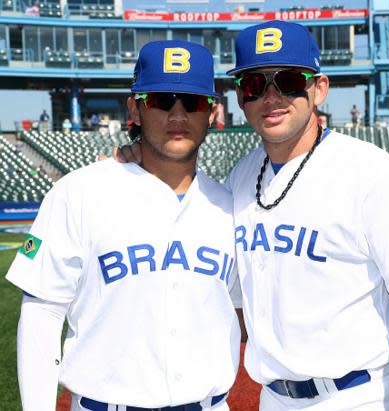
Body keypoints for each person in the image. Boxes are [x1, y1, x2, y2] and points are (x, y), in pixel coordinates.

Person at [117, 20, 389, 411]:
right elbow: (232, 307)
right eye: (255, 85)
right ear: (240, 98)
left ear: (319, 89)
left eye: (289, 80)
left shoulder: (370, 172)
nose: (271, 98)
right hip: (273, 399)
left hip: (361, 397)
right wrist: (137, 159)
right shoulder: (241, 179)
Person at [6, 40, 241, 411]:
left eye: (192, 101)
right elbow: (42, 313)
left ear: (211, 112)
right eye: (161, 100)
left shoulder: (230, 206)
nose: (177, 115)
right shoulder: (79, 192)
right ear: (135, 108)